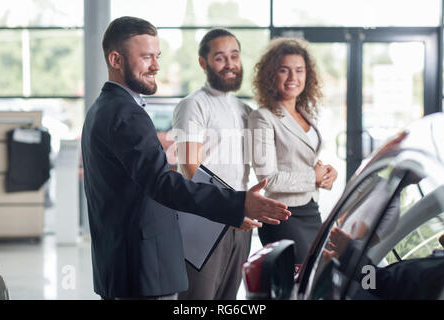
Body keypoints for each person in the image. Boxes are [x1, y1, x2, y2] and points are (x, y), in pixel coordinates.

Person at [81, 16, 291, 300]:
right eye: (146, 57)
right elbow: (163, 184)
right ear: (116, 59)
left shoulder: (106, 107)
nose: (156, 65)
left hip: (126, 261)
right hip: (141, 265)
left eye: (157, 56)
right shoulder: (125, 113)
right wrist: (238, 203)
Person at [172, 29, 254, 300]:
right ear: (203, 63)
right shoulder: (193, 105)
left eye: (234, 56)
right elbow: (189, 167)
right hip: (205, 222)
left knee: (228, 299)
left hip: (239, 221)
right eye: (220, 58)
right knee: (198, 300)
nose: (230, 64)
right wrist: (227, 208)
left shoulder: (244, 110)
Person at [248, 38, 337, 264]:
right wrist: (312, 178)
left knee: (316, 281)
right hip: (283, 216)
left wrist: (326, 175)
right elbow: (268, 179)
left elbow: (303, 159)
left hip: (310, 209)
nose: (293, 78)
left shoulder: (305, 113)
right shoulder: (262, 118)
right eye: (284, 70)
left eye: (299, 70)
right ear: (271, 75)